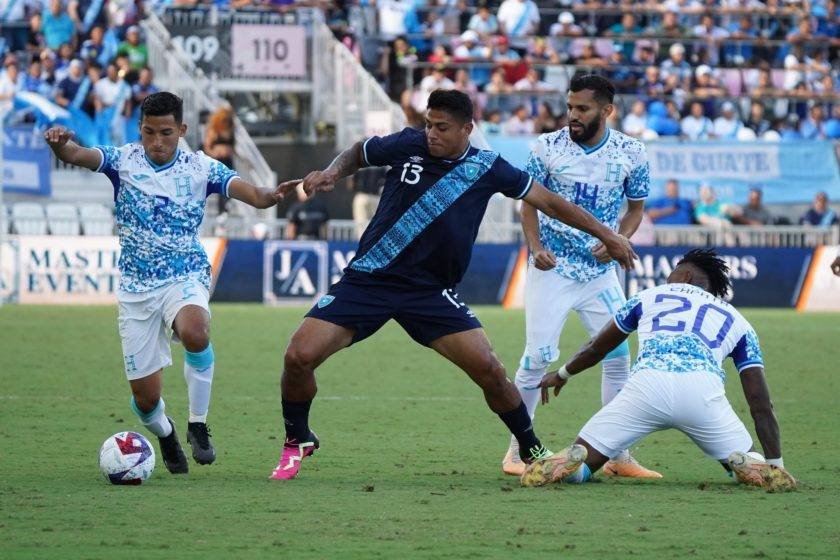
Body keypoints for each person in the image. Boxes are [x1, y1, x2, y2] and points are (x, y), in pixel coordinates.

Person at [268, 89, 637, 483]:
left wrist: (607, 233)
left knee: (491, 371)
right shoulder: (408, 143)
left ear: (467, 129)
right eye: (428, 124)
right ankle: (297, 439)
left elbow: (550, 202)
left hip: (429, 293)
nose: (431, 133)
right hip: (368, 280)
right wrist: (331, 172)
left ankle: (532, 452)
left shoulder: (488, 167)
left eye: (442, 127)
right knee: (298, 356)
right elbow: (360, 151)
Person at [43, 92, 281, 475]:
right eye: (149, 133)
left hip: (184, 274)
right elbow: (77, 156)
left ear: (182, 130)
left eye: (166, 133)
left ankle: (198, 424)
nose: (157, 142)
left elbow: (253, 194)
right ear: (140, 130)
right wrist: (60, 145)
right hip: (136, 290)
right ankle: (166, 434)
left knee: (196, 330)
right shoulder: (123, 160)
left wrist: (273, 195)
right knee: (145, 399)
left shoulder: (200, 168)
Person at [534, 249, 797, 493]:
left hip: (645, 390)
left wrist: (563, 374)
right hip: (702, 397)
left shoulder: (648, 296)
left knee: (585, 459)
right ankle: (752, 465)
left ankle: (572, 464)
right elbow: (760, 401)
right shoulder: (738, 321)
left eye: (674, 270)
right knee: (749, 460)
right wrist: (778, 464)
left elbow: (596, 348)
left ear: (686, 275)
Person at [503, 75, 660, 479]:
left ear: (606, 111)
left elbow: (636, 208)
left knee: (618, 355)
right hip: (552, 269)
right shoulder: (547, 147)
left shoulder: (631, 152)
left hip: (600, 274)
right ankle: (517, 451)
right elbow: (527, 202)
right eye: (570, 107)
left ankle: (617, 455)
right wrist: (535, 247)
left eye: (582, 109)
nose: (572, 115)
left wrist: (618, 240)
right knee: (537, 357)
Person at [348, 165, 386, 239]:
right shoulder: (381, 161)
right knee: (376, 224)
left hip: (362, 196)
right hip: (376, 197)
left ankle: (362, 245)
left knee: (361, 224)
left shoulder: (359, 161)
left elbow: (351, 184)